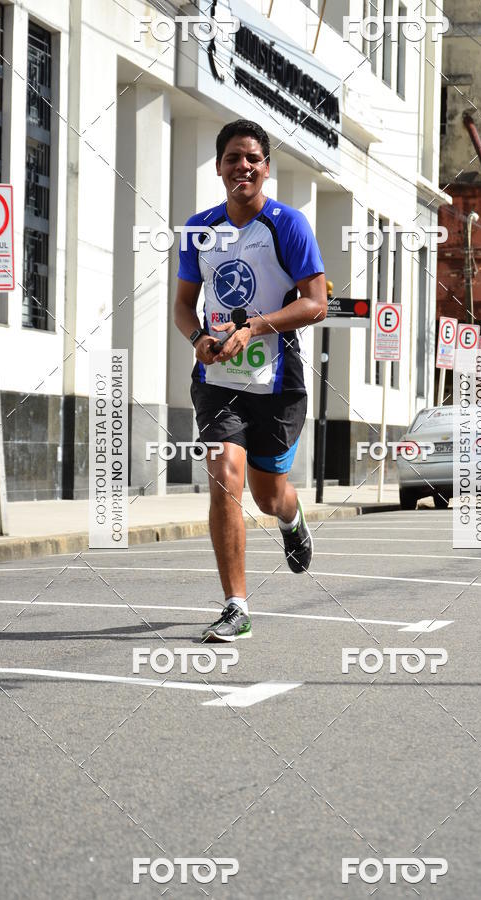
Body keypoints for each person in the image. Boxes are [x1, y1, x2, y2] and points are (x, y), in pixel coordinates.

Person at [174, 119, 327, 641]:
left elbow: (317, 302)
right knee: (224, 481)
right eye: (234, 157)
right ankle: (236, 606)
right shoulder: (199, 228)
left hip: (277, 385)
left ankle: (292, 519)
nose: (244, 166)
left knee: (268, 495)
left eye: (253, 158)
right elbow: (182, 305)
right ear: (219, 166)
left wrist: (256, 326)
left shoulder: (289, 225)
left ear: (265, 168)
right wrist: (198, 338)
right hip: (218, 382)